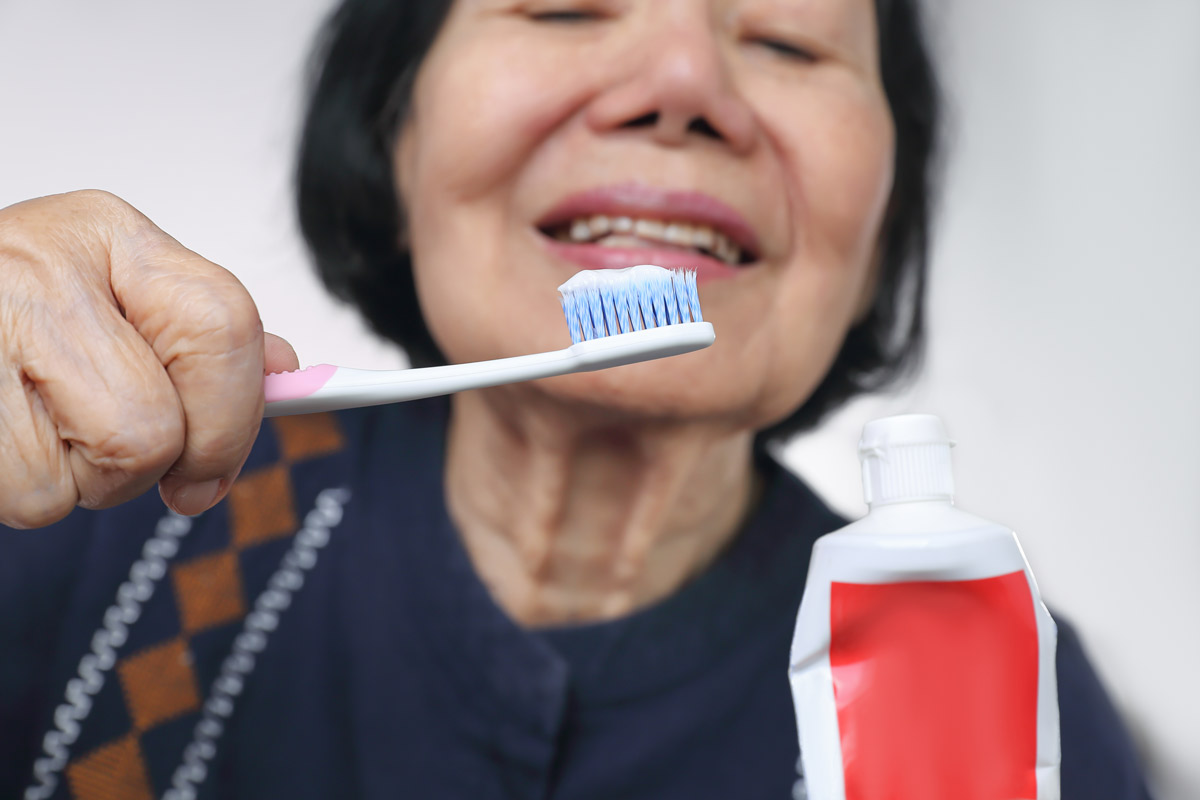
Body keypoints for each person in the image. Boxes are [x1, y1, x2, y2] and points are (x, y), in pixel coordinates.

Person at [0, 1, 1152, 798]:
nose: (685, 86)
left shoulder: (969, 664)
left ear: (881, 222)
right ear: (391, 134)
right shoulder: (86, 501)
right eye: (562, 8)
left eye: (792, 40)